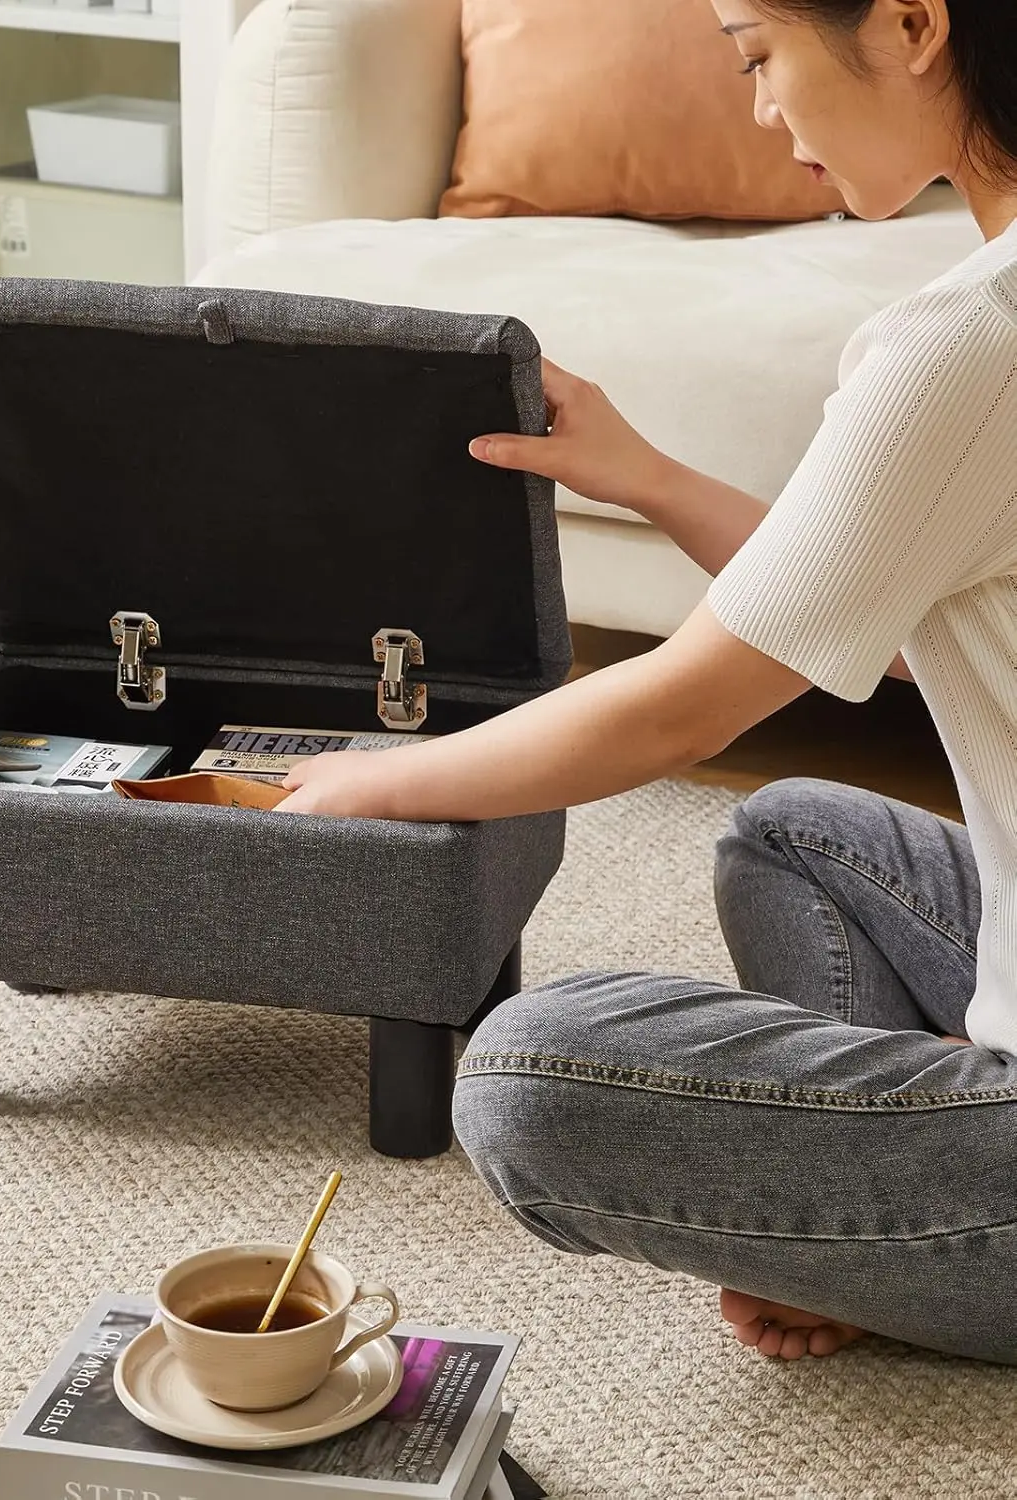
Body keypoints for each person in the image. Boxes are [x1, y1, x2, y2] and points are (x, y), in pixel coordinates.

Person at [276, 0, 1017, 1365]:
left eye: (758, 56)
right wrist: (651, 478)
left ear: (916, 22)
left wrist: (368, 786)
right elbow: (894, 619)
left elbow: (680, 706)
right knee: (789, 836)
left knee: (526, 1074)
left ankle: (918, 1229)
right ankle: (899, 1221)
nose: (763, 107)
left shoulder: (970, 340)